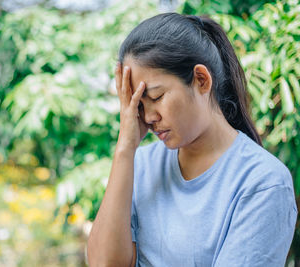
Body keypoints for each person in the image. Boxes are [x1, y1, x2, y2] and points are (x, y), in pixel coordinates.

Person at [86, 12, 298, 267]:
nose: (149, 116)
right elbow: (104, 263)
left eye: (156, 97)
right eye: (138, 105)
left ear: (201, 79)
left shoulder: (262, 182)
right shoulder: (140, 164)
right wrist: (125, 149)